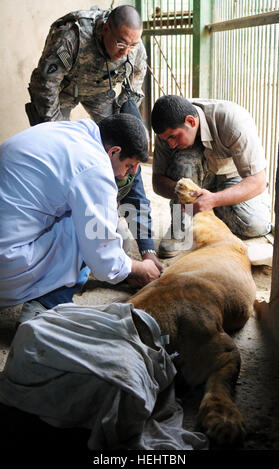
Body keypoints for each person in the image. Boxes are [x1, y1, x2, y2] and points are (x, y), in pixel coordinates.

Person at [25, 4, 160, 269]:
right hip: (61, 89)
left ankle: (144, 241)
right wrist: (56, 135)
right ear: (105, 28)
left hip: (101, 90)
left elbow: (131, 93)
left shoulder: (135, 48)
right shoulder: (72, 35)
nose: (125, 51)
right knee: (58, 158)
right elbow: (45, 85)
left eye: (131, 45)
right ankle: (57, 234)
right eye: (120, 43)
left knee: (129, 150)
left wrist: (129, 131)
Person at [0, 114, 161, 321]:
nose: (127, 174)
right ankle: (46, 305)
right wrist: (139, 268)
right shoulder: (94, 168)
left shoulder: (70, 132)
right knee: (90, 230)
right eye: (129, 166)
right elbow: (105, 260)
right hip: (7, 265)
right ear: (114, 151)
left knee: (103, 225)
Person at [151, 95, 271, 258]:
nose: (170, 144)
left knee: (254, 225)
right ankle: (181, 225)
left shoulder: (233, 121)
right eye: (166, 139)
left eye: (173, 136)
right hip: (193, 183)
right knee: (183, 161)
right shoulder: (166, 134)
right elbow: (157, 182)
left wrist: (213, 200)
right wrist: (183, 191)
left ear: (191, 122)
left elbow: (258, 181)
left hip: (231, 178)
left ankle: (210, 209)